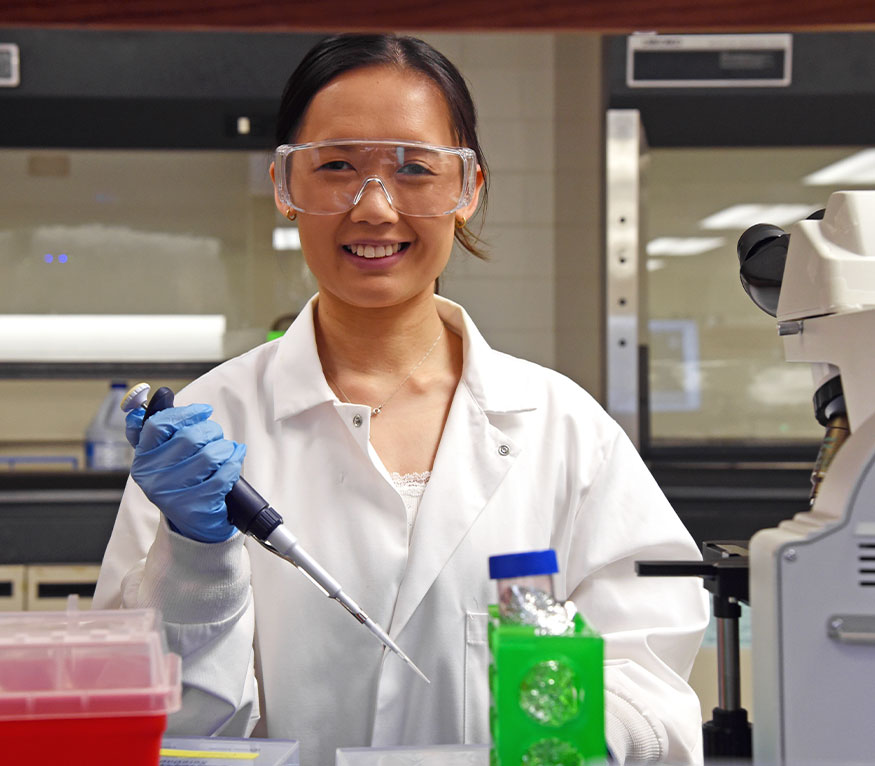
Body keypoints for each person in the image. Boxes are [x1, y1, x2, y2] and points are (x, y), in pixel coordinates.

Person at [93, 33, 709, 766]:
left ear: (467, 188)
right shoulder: (213, 421)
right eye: (337, 167)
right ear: (286, 187)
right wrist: (195, 565)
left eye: (415, 168)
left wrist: (574, 729)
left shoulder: (563, 428)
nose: (375, 208)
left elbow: (654, 683)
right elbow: (151, 722)